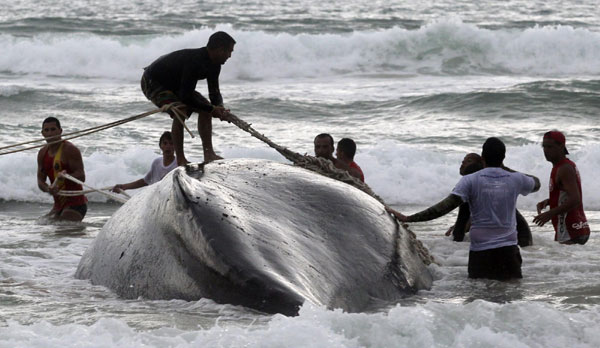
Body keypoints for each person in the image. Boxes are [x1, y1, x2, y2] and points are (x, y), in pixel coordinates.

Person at [387, 137, 540, 280]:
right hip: (509, 254)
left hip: (481, 254)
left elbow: (444, 207)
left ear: (483, 157)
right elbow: (536, 183)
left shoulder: (470, 180)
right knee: (512, 301)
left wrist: (409, 218)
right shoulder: (515, 179)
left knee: (479, 302)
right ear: (503, 158)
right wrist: (504, 169)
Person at [141, 31, 236, 165]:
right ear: (220, 50)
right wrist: (212, 109)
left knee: (206, 108)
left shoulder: (215, 65)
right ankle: (180, 159)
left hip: (175, 84)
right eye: (229, 52)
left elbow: (214, 92)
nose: (230, 56)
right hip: (152, 82)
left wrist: (219, 107)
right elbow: (185, 97)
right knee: (181, 110)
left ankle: (209, 154)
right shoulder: (194, 61)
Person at [447, 153, 533, 247]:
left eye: (469, 161)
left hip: (518, 239)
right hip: (519, 237)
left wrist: (452, 247)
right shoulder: (489, 186)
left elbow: (461, 223)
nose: (463, 162)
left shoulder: (474, 186)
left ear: (481, 166)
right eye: (464, 160)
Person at [533, 131, 590, 245]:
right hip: (577, 229)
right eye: (544, 146)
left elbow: (575, 199)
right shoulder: (561, 166)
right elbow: (566, 195)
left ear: (561, 146)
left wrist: (549, 213)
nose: (546, 150)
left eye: (550, 147)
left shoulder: (564, 168)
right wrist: (549, 202)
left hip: (571, 230)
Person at [36, 117, 88, 221]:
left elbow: (81, 176)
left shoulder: (70, 150)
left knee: (61, 228)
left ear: (60, 131)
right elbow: (40, 181)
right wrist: (48, 189)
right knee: (40, 224)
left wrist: (65, 177)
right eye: (46, 130)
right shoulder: (42, 153)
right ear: (42, 133)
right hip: (58, 206)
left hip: (76, 204)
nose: (50, 133)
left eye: (53, 129)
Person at [111, 131, 178, 192]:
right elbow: (145, 181)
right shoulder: (156, 163)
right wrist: (123, 187)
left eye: (171, 143)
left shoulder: (178, 165)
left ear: (175, 146)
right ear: (160, 146)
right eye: (165, 143)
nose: (168, 146)